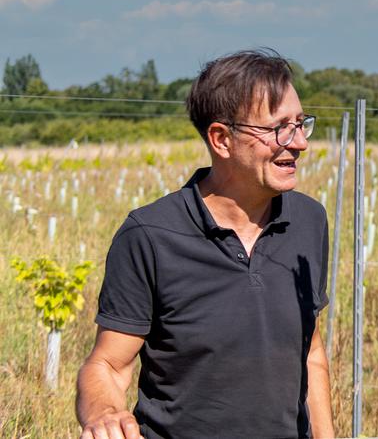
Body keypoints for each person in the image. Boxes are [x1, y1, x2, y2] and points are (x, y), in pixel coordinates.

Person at [75, 48, 334, 439]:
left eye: (301, 124)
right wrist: (104, 411)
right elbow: (108, 365)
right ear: (221, 139)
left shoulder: (309, 222)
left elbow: (310, 353)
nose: (300, 143)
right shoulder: (150, 236)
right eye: (280, 128)